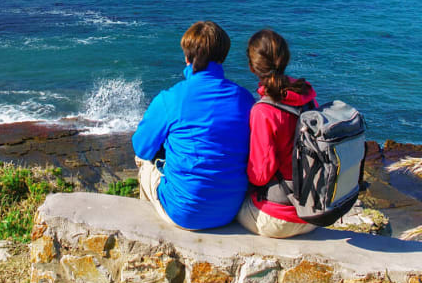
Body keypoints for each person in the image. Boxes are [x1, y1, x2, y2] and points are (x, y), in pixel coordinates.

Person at [132, 21, 255, 230]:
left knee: (143, 162)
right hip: (230, 209)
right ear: (223, 57)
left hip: (184, 213)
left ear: (187, 57)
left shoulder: (170, 98)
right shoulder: (244, 98)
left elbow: (142, 148)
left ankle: (149, 232)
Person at [237, 29, 318, 238]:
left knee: (224, 206)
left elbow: (260, 175)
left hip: (279, 218)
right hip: (313, 213)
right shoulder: (307, 95)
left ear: (251, 67)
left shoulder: (263, 111)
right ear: (285, 59)